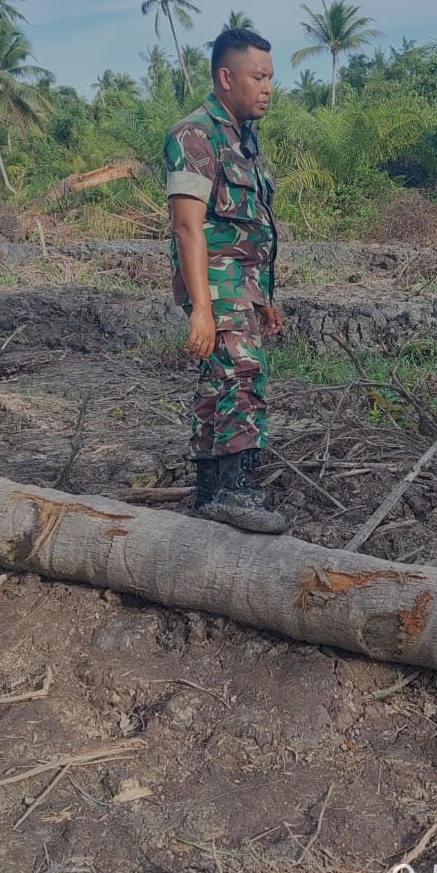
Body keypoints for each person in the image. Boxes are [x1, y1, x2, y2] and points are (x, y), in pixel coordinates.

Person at [164, 27, 287, 533]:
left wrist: (267, 299)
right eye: (257, 77)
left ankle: (210, 493)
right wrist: (200, 308)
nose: (267, 87)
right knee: (242, 375)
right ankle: (236, 492)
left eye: (270, 78)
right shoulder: (195, 135)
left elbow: (254, 226)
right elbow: (187, 226)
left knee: (219, 382)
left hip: (243, 284)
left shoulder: (245, 141)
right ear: (224, 77)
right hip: (215, 283)